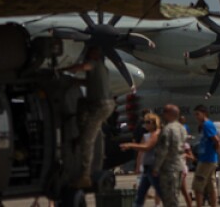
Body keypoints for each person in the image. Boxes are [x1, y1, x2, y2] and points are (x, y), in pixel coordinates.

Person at [67, 46, 117, 188]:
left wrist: (68, 69)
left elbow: (85, 66)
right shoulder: (102, 69)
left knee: (87, 140)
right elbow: (90, 83)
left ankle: (85, 176)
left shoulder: (94, 64)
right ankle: (81, 126)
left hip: (100, 105)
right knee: (82, 103)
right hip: (101, 104)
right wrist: (75, 82)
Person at [122, 112, 162, 207]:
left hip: (154, 167)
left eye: (148, 122)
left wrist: (130, 145)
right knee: (141, 193)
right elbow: (141, 149)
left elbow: (147, 147)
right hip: (147, 167)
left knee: (162, 192)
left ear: (154, 123)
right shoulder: (147, 135)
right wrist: (138, 165)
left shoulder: (156, 134)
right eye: (145, 122)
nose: (146, 124)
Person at [153, 105, 189, 207]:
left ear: (169, 114)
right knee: (175, 195)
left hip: (169, 168)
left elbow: (163, 150)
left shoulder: (168, 129)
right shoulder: (182, 128)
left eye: (165, 112)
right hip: (179, 165)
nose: (163, 115)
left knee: (169, 198)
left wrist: (156, 167)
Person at [192, 105, 220, 207]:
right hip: (208, 159)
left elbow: (216, 140)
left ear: (204, 113)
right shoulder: (206, 125)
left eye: (198, 114)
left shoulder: (207, 125)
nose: (196, 117)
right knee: (210, 186)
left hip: (206, 160)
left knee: (198, 186)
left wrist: (216, 154)